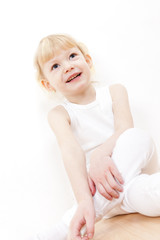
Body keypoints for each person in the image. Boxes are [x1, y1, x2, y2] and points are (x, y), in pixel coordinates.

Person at [34, 34, 160, 240]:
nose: (67, 66)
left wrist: (100, 154)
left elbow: (125, 129)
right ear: (48, 85)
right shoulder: (59, 114)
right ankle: (87, 211)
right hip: (101, 196)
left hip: (131, 180)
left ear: (88, 60)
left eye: (72, 56)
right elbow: (71, 152)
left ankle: (70, 224)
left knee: (137, 137)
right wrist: (84, 201)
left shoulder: (115, 91)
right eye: (55, 66)